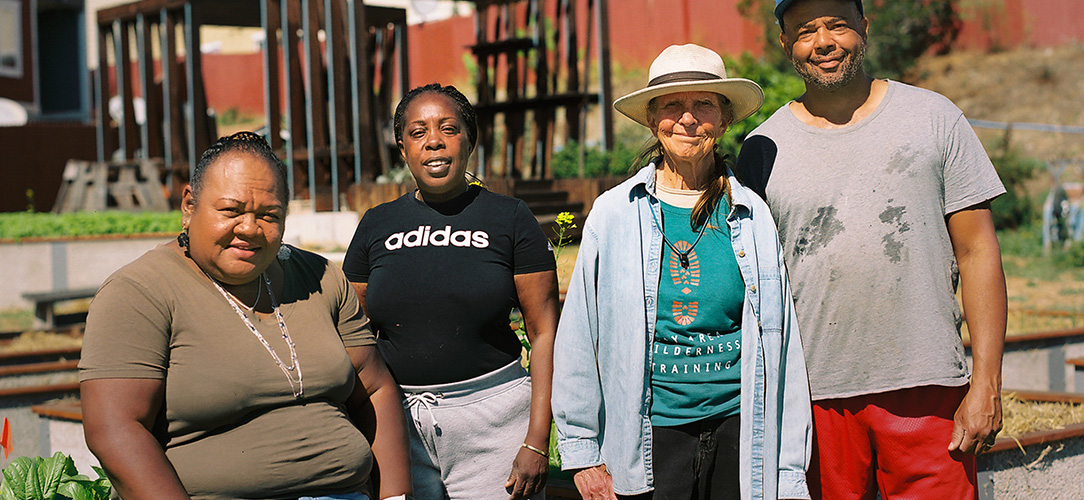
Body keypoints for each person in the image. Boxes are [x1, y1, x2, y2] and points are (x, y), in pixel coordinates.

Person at [735, 1, 1008, 498]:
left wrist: (986, 382)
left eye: (837, 25)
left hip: (927, 388)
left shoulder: (934, 118)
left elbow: (978, 252)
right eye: (806, 31)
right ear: (785, 43)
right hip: (812, 397)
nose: (823, 42)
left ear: (863, 26)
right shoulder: (761, 148)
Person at [79, 132, 412, 500]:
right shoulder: (139, 291)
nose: (250, 228)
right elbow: (115, 429)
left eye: (269, 215)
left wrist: (395, 497)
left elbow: (376, 389)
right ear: (189, 206)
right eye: (231, 211)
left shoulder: (320, 278)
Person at [552, 44, 812, 500]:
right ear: (652, 119)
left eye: (703, 104)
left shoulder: (752, 214)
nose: (687, 119)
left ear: (724, 119)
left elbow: (782, 342)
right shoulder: (614, 214)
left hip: (739, 430)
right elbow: (579, 336)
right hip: (650, 435)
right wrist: (582, 451)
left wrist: (789, 470)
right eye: (672, 105)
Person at [342, 83, 560, 500]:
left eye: (448, 128)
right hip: (398, 424)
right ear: (402, 148)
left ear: (470, 140)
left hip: (495, 422)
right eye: (418, 132)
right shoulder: (376, 224)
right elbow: (353, 332)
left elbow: (544, 332)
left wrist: (536, 439)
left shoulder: (510, 218)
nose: (434, 142)